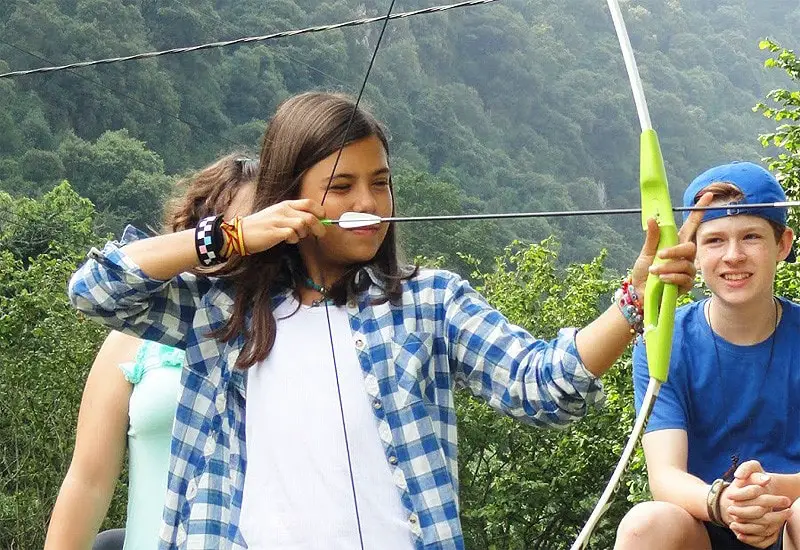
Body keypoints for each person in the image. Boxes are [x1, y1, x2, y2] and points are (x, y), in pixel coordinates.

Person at [68, 91, 705, 549]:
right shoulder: (223, 308)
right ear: (290, 196)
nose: (369, 203)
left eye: (382, 182)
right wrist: (232, 237)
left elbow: (541, 384)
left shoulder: (429, 302)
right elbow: (98, 289)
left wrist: (632, 302)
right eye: (341, 187)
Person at [45, 155, 258, 550]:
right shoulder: (133, 339)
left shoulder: (288, 331)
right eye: (235, 230)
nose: (246, 246)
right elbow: (87, 481)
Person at [614, 161, 800, 550]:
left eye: (751, 237)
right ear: (693, 253)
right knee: (644, 524)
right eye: (714, 241)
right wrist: (723, 502)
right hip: (705, 524)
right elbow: (664, 476)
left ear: (782, 245)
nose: (733, 256)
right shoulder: (663, 342)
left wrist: (768, 492)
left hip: (790, 520)